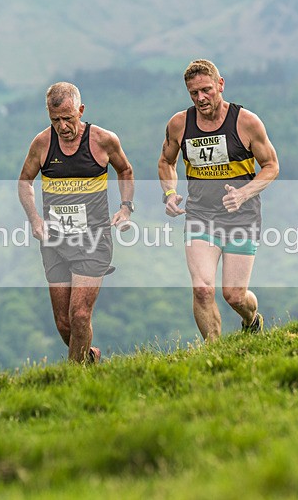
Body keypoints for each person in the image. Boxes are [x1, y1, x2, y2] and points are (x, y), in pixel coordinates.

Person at [158, 59, 279, 342]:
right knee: (202, 289)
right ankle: (215, 352)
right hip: (200, 215)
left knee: (234, 295)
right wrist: (169, 193)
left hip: (242, 217)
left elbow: (272, 166)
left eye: (206, 90)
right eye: (193, 93)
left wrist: (243, 193)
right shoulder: (180, 124)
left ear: (220, 84)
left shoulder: (246, 122)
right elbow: (166, 161)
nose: (201, 98)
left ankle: (251, 320)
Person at [18, 82, 134, 363]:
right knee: (64, 323)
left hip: (93, 241)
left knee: (80, 314)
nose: (63, 126)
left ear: (81, 111)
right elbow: (24, 182)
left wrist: (126, 208)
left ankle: (73, 380)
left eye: (68, 118)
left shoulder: (103, 140)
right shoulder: (43, 143)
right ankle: (89, 359)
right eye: (55, 119)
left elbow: (126, 170)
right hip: (55, 242)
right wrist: (35, 219)